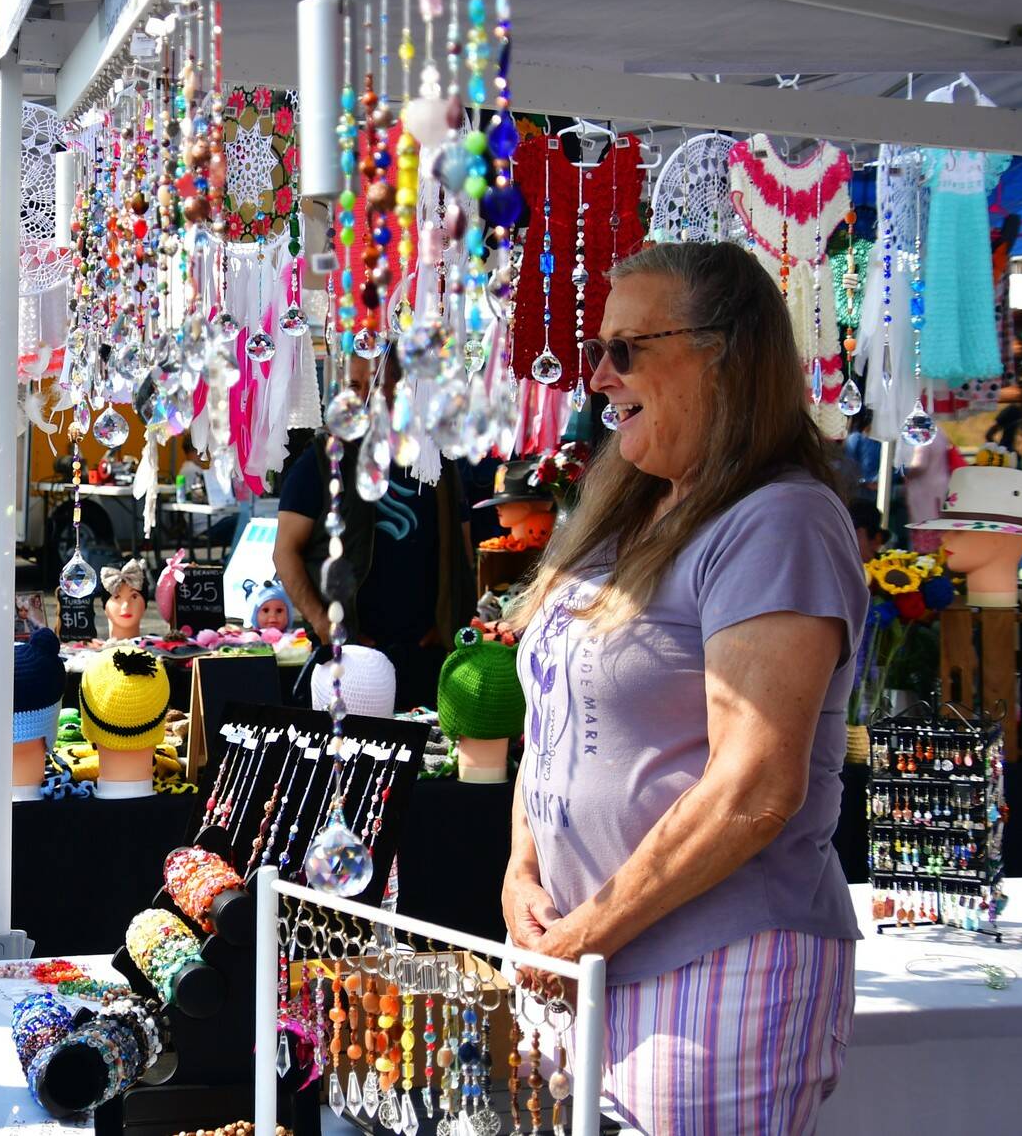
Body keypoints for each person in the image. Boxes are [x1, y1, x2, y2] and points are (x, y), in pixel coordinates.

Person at [504, 241, 864, 1135]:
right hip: (587, 960)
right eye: (597, 349)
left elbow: (755, 785)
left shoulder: (777, 519)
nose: (598, 375)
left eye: (626, 348)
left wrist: (589, 929)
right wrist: (522, 871)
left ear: (723, 353)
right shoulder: (631, 508)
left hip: (712, 967)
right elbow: (553, 712)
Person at [274, 358, 470, 710]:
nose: (365, 399)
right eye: (354, 387)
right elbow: (285, 551)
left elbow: (462, 545)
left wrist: (450, 620)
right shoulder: (322, 459)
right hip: (351, 659)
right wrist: (323, 624)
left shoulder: (433, 456)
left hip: (426, 655)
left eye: (377, 385)